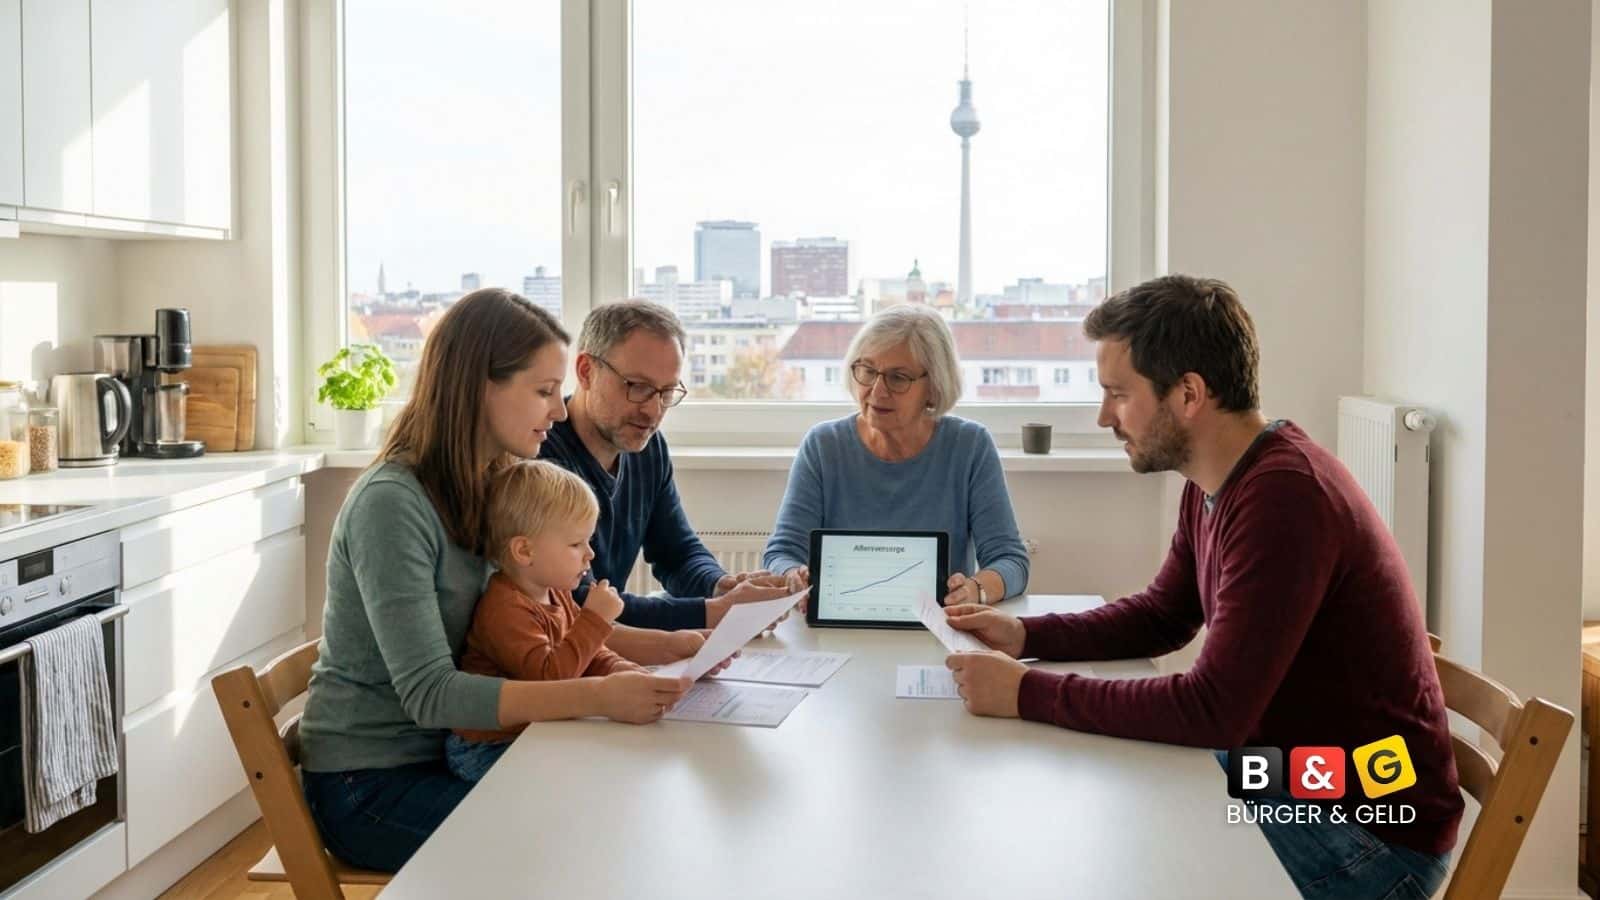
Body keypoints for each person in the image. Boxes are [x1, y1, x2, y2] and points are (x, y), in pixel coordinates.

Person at [941, 275, 1462, 900]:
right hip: (1296, 779)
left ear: (1188, 393)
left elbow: (1212, 710)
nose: (1104, 416)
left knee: (1112, 848)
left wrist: (1026, 691)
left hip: (1370, 832)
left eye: (1118, 394)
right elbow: (1164, 615)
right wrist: (1026, 633)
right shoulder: (1220, 480)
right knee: (1102, 799)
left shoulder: (1285, 498)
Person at [297, 288, 692, 872]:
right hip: (373, 785)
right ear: (478, 387)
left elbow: (555, 625)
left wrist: (677, 651)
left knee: (620, 802)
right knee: (586, 839)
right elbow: (432, 695)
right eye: (542, 392)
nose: (559, 412)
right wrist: (598, 695)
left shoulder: (499, 484)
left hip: (460, 752)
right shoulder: (392, 504)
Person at [541, 299, 792, 638]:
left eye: (667, 391)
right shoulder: (543, 459)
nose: (653, 411)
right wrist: (712, 612)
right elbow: (579, 600)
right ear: (586, 371)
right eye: (638, 387)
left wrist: (721, 586)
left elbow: (677, 551)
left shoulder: (647, 446)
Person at [762, 304, 1029, 607]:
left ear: (934, 386)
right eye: (867, 371)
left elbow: (1011, 561)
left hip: (936, 630)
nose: (877, 391)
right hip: (839, 629)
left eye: (898, 378)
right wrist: (792, 576)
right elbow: (780, 553)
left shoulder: (969, 446)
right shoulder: (823, 446)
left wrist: (974, 589)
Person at [445, 460, 647, 782]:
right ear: (525, 551)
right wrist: (594, 619)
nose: (590, 554)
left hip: (531, 732)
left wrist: (630, 673)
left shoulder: (555, 592)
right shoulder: (504, 609)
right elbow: (551, 679)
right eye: (575, 544)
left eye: (588, 541)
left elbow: (588, 655)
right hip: (488, 746)